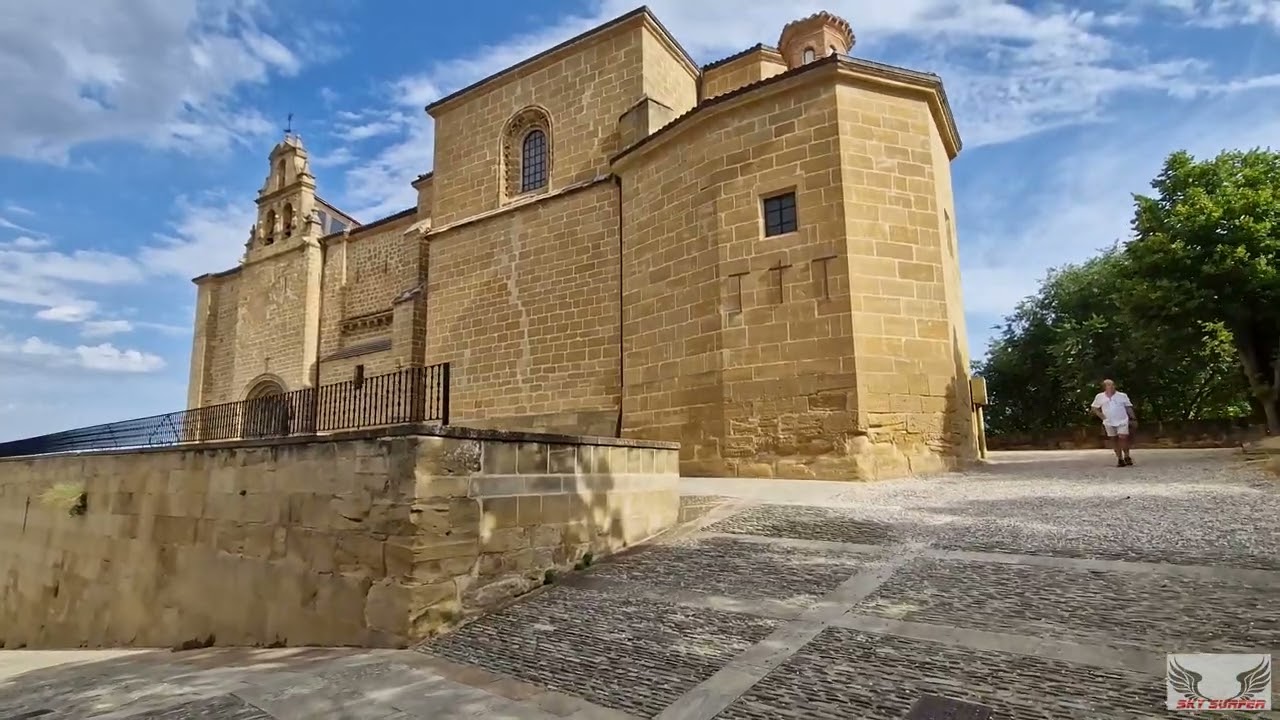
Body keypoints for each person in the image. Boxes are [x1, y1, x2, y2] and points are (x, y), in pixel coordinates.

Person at [1090, 379, 1137, 467]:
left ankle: (1127, 456)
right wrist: (1101, 416)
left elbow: (1128, 407)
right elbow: (1094, 408)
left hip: (1122, 420)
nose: (1111, 387)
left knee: (1123, 438)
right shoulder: (1100, 397)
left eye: (1112, 385)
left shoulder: (1122, 396)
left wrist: (1133, 418)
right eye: (1108, 385)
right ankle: (1120, 458)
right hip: (1108, 422)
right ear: (1104, 387)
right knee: (1114, 439)